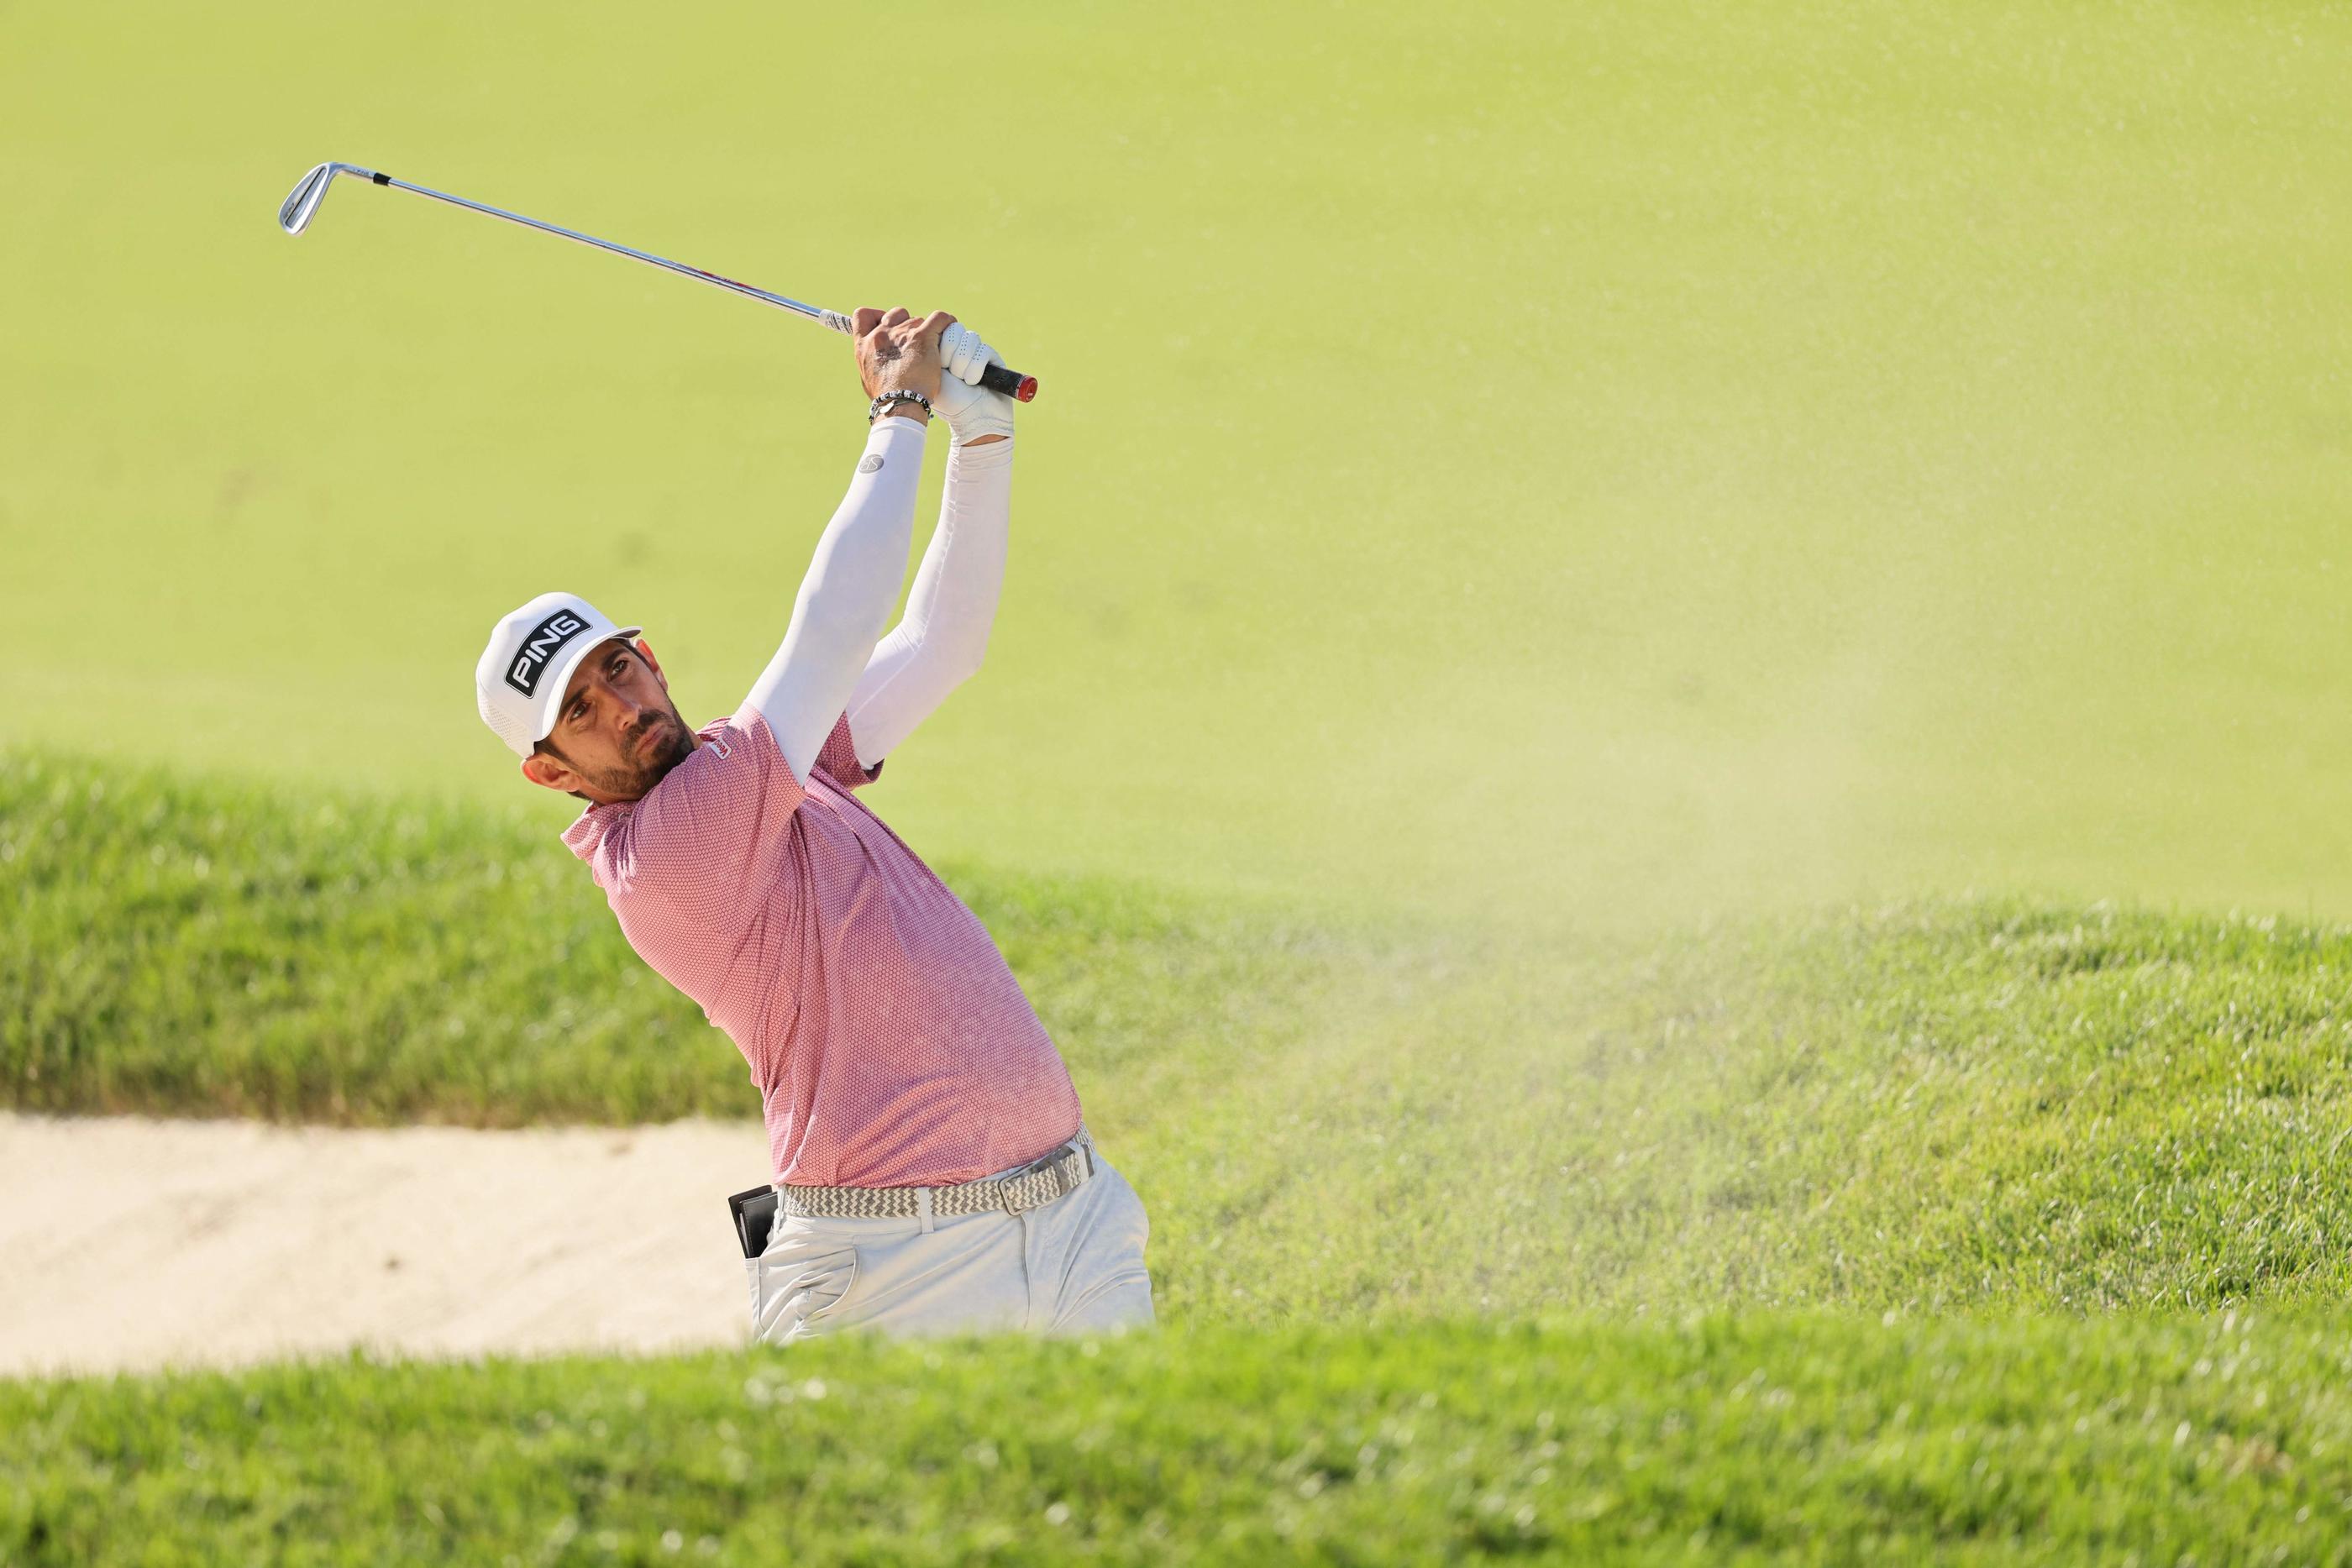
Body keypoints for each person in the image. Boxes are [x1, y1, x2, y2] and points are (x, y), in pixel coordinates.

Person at [470, 307, 1152, 1342]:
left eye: (615, 667)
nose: (620, 706)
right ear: (550, 771)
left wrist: (981, 438)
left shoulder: (762, 772)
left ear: (647, 654)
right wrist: (899, 411)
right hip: (896, 1273)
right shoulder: (672, 849)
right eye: (579, 712)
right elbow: (834, 628)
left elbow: (937, 644)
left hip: (1071, 1217)